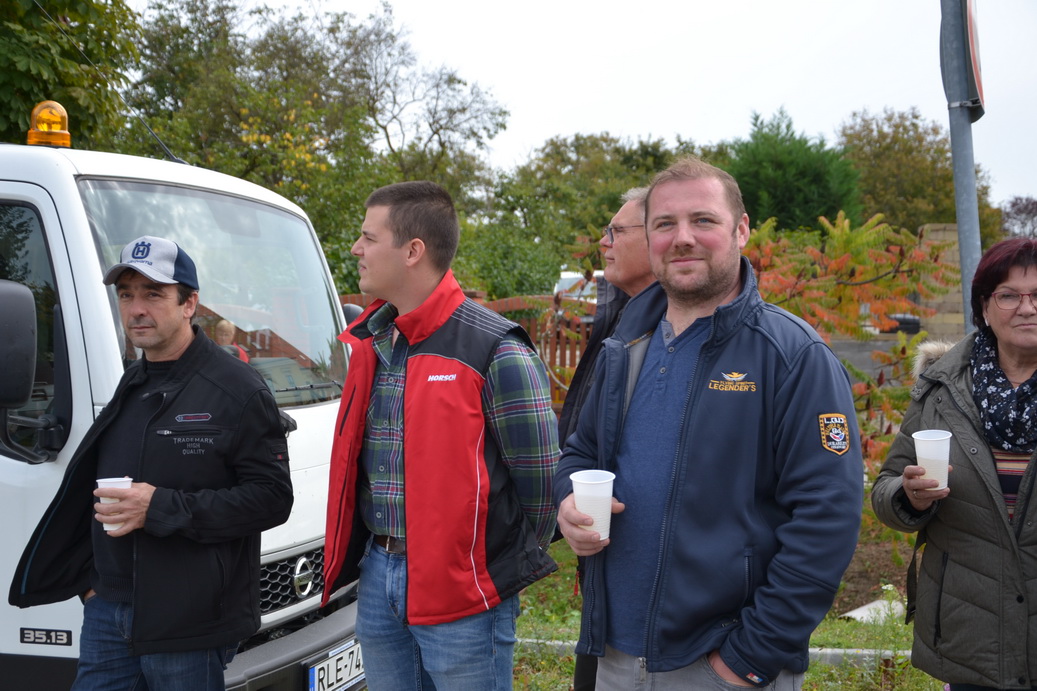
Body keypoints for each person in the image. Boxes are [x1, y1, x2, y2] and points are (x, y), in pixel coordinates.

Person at [554, 156, 862, 689]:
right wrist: (568, 502)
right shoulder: (625, 346)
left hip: (720, 663)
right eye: (664, 224)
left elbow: (827, 518)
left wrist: (747, 659)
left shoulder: (792, 355)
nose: (682, 238)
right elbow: (581, 452)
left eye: (703, 220)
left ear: (740, 230)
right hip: (614, 656)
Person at [8, 235, 294, 690]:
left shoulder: (239, 390)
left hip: (188, 622)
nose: (136, 309)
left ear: (189, 303)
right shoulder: (133, 383)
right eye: (126, 295)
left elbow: (272, 499)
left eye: (154, 294)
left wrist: (158, 507)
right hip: (108, 611)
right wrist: (92, 586)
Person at [321, 181, 559, 690]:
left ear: (413, 251)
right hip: (378, 574)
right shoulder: (372, 341)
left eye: (368, 237)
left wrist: (486, 565)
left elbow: (541, 485)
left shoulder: (496, 348)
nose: (356, 249)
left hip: (464, 593)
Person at [873, 237, 1037, 690]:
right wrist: (908, 496)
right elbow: (886, 488)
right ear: (984, 306)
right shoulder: (942, 387)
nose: (1027, 308)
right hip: (970, 633)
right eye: (1009, 295)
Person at [556, 187, 655, 691]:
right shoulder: (621, 322)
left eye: (616, 231)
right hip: (607, 585)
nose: (603, 242)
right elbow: (579, 444)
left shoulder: (670, 336)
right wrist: (566, 500)